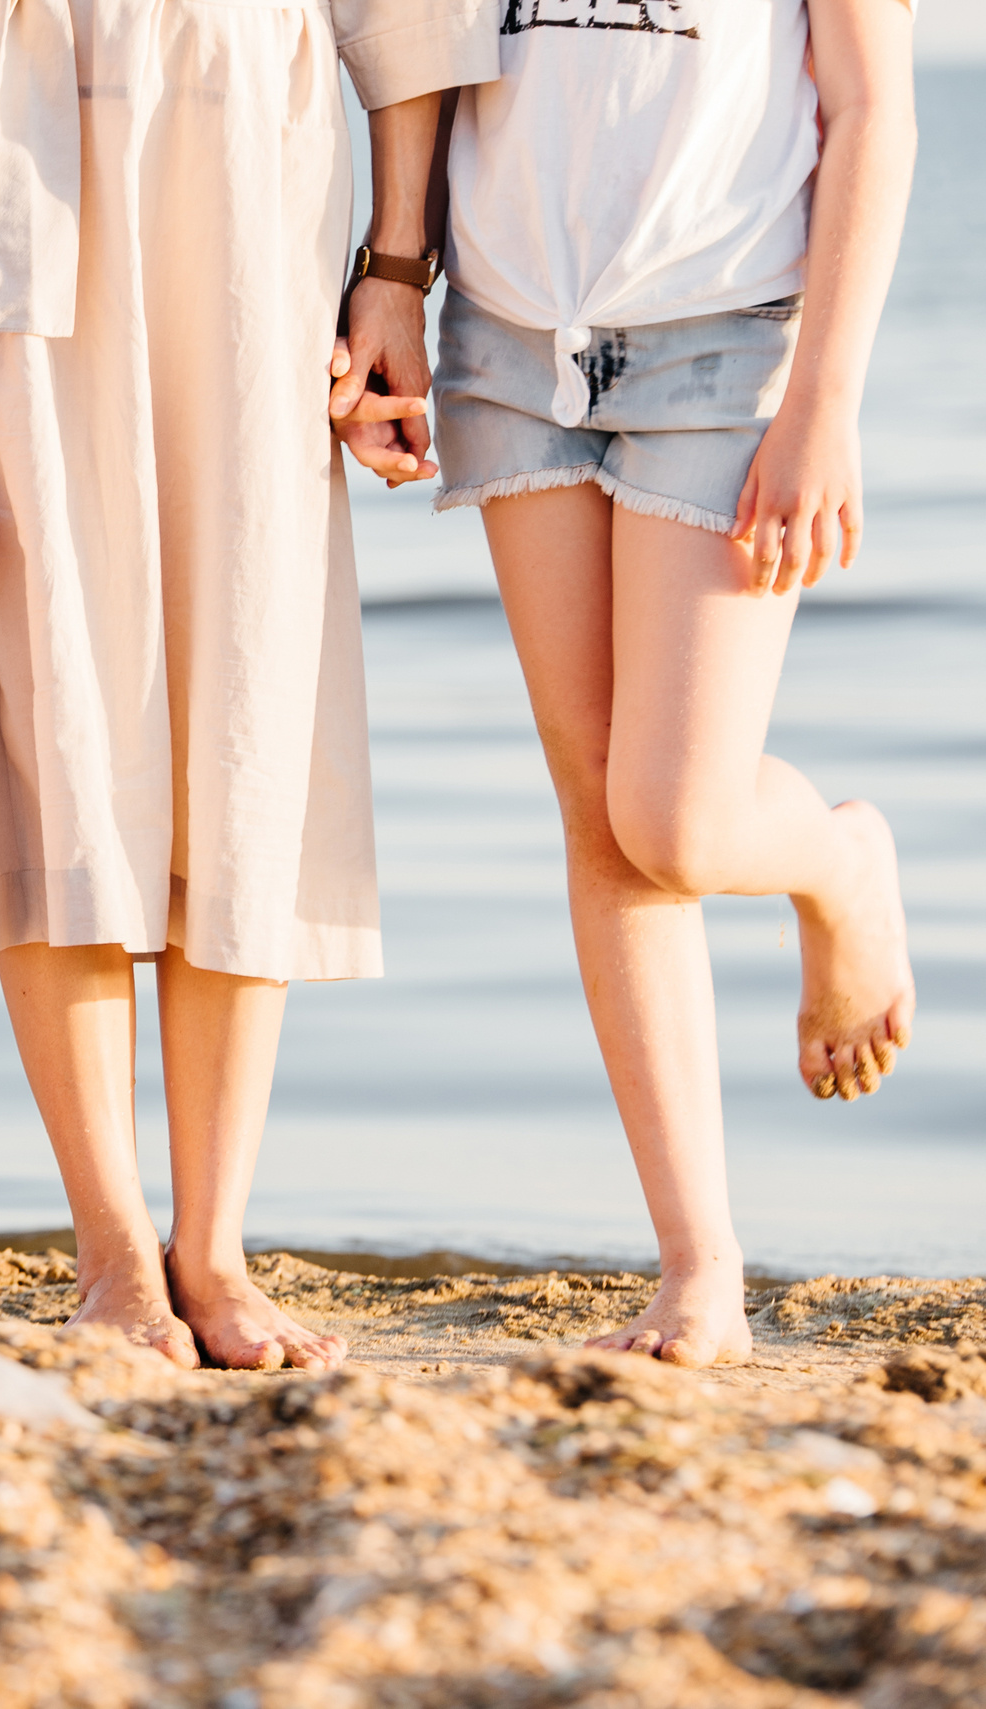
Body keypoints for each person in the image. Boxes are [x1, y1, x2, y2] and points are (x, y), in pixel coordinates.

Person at [0, 0, 496, 1368]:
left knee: (249, 680)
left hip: (264, 158)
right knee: (52, 685)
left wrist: (396, 263)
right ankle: (112, 1247)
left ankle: (214, 1243)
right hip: (3, 149)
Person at [431, 0, 918, 1365]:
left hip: (729, 335)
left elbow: (873, 108)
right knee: (602, 814)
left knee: (683, 818)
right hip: (508, 333)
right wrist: (388, 280)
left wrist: (827, 402)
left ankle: (840, 862)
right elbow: (418, 56)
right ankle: (700, 1263)